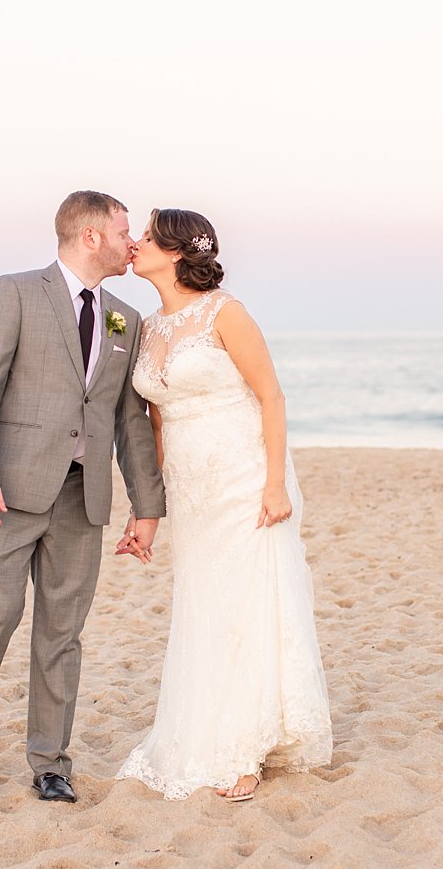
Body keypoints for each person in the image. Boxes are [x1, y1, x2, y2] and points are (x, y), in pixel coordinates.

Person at [0, 191, 167, 807]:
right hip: (5, 491)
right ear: (90, 236)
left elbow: (128, 421)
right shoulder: (15, 292)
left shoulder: (125, 318)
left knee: (62, 634)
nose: (131, 241)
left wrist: (147, 507)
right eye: (122, 231)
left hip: (82, 500)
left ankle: (50, 762)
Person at [115, 208, 332, 801]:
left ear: (176, 251)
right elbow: (155, 427)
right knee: (205, 602)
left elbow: (271, 397)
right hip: (192, 486)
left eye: (146, 237)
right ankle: (207, 730)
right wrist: (147, 511)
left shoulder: (225, 312)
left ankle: (246, 749)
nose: (133, 244)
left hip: (242, 474)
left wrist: (274, 484)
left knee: (246, 600)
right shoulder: (147, 327)